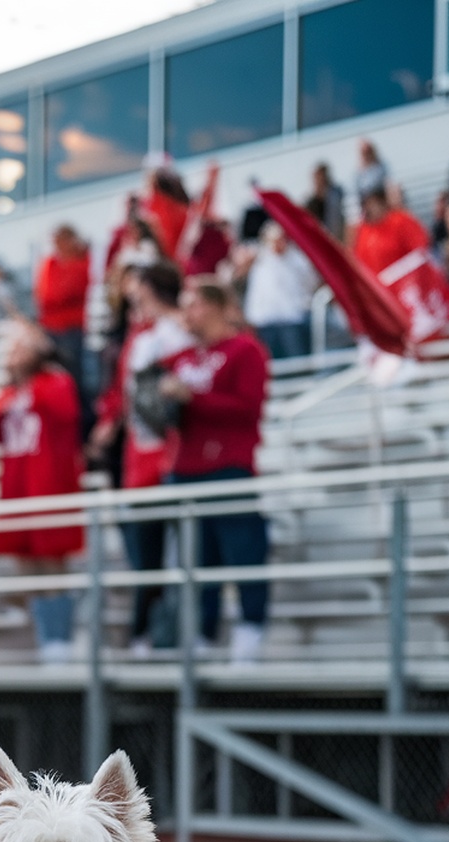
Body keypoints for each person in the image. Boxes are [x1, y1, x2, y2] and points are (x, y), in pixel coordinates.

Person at [158, 279, 270, 663]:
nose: (186, 314)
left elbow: (248, 409)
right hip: (185, 467)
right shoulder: (181, 358)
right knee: (197, 559)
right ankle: (203, 633)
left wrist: (194, 399)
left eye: (193, 305)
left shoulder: (245, 350)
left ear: (216, 306)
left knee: (242, 551)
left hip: (228, 465)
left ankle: (250, 630)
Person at [89, 261, 193, 652]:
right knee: (143, 551)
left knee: (178, 548)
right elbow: (121, 388)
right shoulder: (136, 336)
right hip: (139, 456)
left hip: (172, 452)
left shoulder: (179, 327)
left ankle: (173, 630)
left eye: (140, 293)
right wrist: (109, 422)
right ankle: (144, 631)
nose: (134, 300)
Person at [0, 325, 84, 663]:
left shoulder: (54, 381)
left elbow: (67, 412)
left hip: (48, 484)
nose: (13, 356)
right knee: (25, 564)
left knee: (53, 563)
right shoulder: (10, 392)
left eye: (19, 349)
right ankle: (45, 637)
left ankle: (60, 637)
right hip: (17, 487)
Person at [242, 221, 319, 360]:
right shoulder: (261, 263)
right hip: (267, 322)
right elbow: (256, 293)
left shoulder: (298, 260)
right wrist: (252, 316)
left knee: (295, 359)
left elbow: (310, 283)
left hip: (292, 319)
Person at [34, 226, 91, 404]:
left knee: (77, 379)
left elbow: (69, 291)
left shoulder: (84, 261)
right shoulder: (49, 263)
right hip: (51, 330)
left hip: (74, 329)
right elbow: (45, 296)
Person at [352, 191, 430, 278]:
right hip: (377, 285)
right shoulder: (363, 230)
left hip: (404, 281)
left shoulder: (400, 221)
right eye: (365, 205)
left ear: (382, 203)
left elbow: (420, 250)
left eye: (372, 204)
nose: (369, 209)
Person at [305, 163, 346, 241]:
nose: (320, 180)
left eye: (321, 176)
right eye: (317, 177)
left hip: (338, 237)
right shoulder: (311, 202)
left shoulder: (337, 193)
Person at [354, 139, 388, 204]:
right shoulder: (357, 172)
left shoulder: (381, 167)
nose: (367, 155)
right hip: (366, 202)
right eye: (364, 152)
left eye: (368, 151)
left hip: (381, 198)